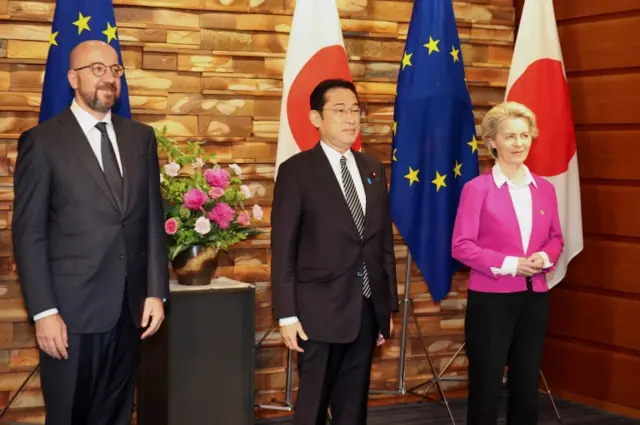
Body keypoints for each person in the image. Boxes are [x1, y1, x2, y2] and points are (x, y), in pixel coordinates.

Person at [11, 39, 169, 425]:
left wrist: (155, 291)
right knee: (69, 415)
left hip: (129, 311)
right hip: (70, 315)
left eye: (115, 70)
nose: (108, 78)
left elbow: (150, 220)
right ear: (72, 78)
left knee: (115, 414)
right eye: (96, 69)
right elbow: (29, 233)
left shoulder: (140, 138)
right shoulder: (42, 142)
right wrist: (44, 312)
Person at [271, 79, 399, 425]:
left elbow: (381, 243)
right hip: (317, 312)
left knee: (353, 406)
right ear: (316, 118)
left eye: (355, 110)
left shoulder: (373, 168)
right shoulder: (296, 171)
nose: (350, 118)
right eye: (339, 110)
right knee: (313, 405)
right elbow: (283, 248)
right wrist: (287, 315)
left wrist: (387, 307)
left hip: (366, 308)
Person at [451, 101, 564, 425]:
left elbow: (556, 238)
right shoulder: (477, 189)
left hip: (535, 299)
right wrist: (511, 264)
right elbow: (461, 246)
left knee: (526, 384)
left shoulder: (545, 189)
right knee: (486, 385)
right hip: (492, 301)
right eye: (510, 136)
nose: (519, 143)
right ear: (492, 142)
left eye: (525, 135)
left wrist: (544, 257)